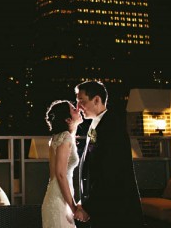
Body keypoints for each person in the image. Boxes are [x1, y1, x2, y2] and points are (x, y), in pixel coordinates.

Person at [74, 80, 144, 228]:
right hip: (105, 206)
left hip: (116, 210)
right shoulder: (97, 124)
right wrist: (84, 200)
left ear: (97, 100)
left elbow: (110, 173)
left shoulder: (112, 126)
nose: (78, 107)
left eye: (81, 101)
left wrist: (89, 206)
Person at [41, 100, 84, 228]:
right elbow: (60, 174)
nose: (78, 109)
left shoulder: (59, 137)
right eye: (73, 109)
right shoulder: (65, 137)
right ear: (68, 119)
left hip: (57, 198)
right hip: (59, 202)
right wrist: (74, 208)